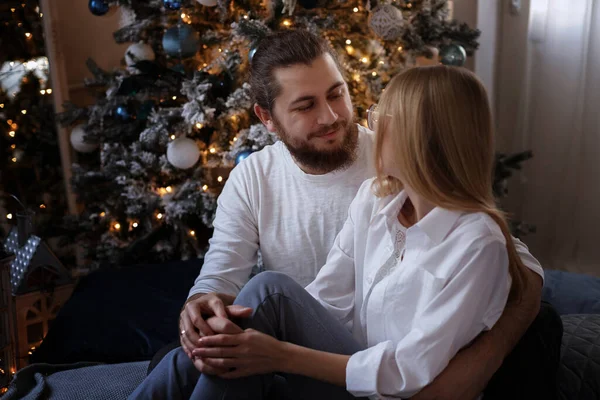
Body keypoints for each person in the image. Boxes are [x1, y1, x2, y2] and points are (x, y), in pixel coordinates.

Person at [129, 30, 550, 400]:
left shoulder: (441, 212)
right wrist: (217, 317)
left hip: (369, 376)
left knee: (264, 299)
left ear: (424, 141)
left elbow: (512, 261)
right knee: (233, 327)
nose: (333, 117)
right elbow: (299, 296)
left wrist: (492, 351)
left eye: (337, 93)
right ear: (267, 118)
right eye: (306, 105)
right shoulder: (370, 195)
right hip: (327, 351)